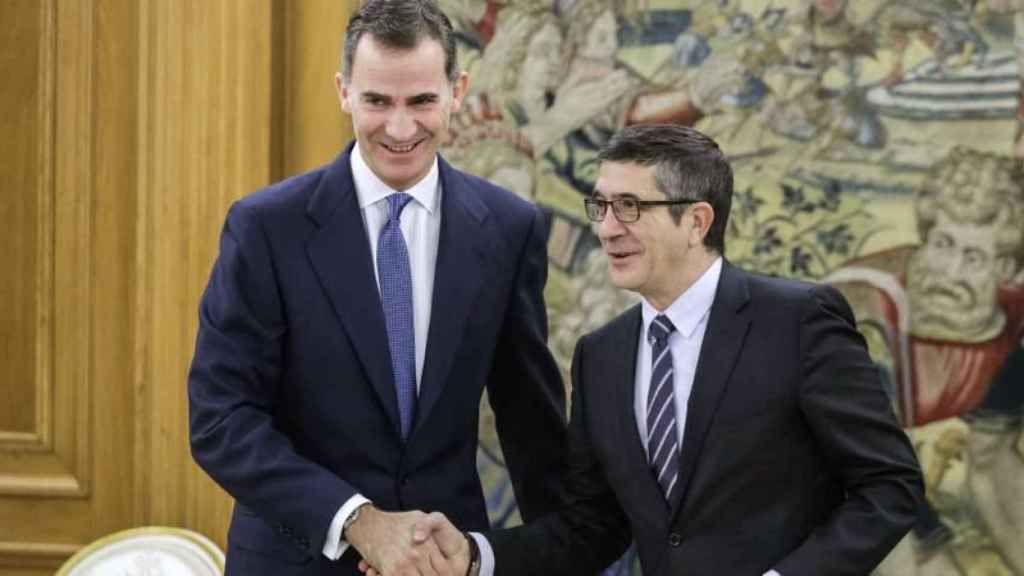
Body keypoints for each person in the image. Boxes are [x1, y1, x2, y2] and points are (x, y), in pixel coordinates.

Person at [364, 123, 924, 576]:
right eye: (600, 206)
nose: (606, 229)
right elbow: (591, 529)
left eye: (630, 207)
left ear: (696, 221)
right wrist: (471, 556)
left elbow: (890, 486)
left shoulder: (799, 321)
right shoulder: (600, 356)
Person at [186, 0, 567, 574]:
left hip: (442, 563)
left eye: (421, 101)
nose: (399, 127)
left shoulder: (511, 229)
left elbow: (532, 429)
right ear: (344, 91)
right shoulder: (267, 228)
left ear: (457, 91)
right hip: (295, 561)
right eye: (377, 101)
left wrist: (552, 559)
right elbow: (221, 418)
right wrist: (359, 520)